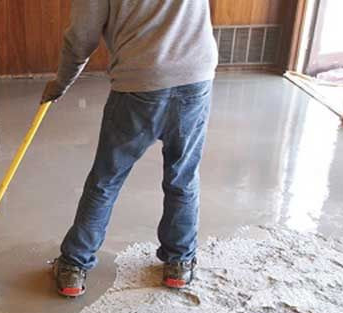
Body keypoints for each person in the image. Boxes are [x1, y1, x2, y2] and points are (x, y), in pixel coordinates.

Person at [43, 0, 218, 297]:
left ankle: (74, 266)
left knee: (106, 180)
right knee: (183, 176)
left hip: (140, 81)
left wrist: (61, 82)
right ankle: (179, 264)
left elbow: (82, 36)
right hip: (195, 76)